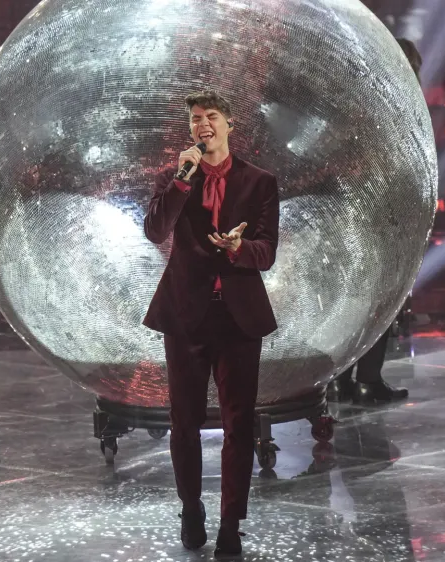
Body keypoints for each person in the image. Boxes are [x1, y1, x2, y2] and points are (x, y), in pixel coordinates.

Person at [143, 90, 280, 558]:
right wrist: (181, 182)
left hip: (237, 317)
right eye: (196, 119)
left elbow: (267, 252)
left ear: (229, 125)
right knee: (184, 421)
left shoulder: (259, 182)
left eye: (212, 117)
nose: (203, 126)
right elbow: (155, 232)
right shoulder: (177, 177)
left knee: (239, 425)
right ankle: (191, 507)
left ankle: (230, 523)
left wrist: (238, 248)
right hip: (185, 315)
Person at [333, 37, 421, 405]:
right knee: (383, 301)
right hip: (382, 218)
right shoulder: (396, 109)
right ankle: (368, 379)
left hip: (354, 215)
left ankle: (341, 379)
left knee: (356, 303)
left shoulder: (357, 103)